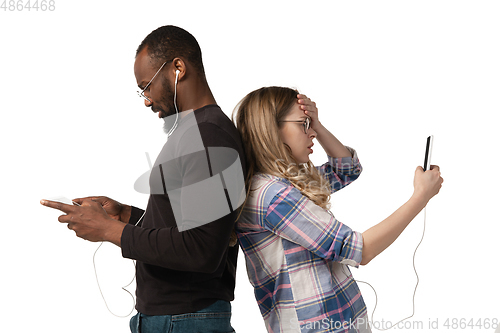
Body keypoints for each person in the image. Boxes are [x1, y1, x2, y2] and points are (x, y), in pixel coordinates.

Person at [41, 25, 246, 333]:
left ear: (178, 67)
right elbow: (187, 228)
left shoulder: (209, 136)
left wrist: (111, 229)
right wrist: (127, 215)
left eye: (147, 86)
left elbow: (201, 251)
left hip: (185, 320)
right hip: (175, 319)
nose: (147, 100)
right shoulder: (196, 132)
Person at [232, 86, 443, 333]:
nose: (311, 133)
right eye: (303, 124)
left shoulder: (287, 183)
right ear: (271, 130)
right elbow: (359, 249)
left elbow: (346, 170)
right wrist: (420, 198)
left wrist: (319, 125)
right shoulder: (272, 196)